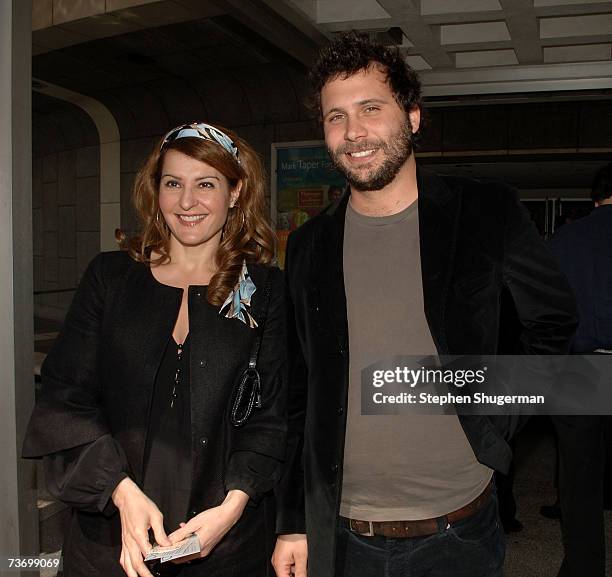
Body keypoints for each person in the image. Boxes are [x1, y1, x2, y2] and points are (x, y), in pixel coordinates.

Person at [272, 32, 577, 577]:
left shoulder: (485, 210)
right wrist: (293, 521)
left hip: (458, 530)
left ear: (412, 117)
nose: (354, 132)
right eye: (335, 117)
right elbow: (299, 393)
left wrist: (500, 421)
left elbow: (552, 321)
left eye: (371, 108)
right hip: (342, 535)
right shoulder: (307, 245)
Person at [22, 122, 287, 577]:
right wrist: (121, 492)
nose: (187, 202)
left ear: (236, 191)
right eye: (173, 183)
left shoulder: (264, 291)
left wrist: (231, 507)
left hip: (225, 544)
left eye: (206, 184)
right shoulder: (110, 278)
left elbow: (273, 416)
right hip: (109, 540)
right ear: (156, 190)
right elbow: (66, 400)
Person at [548, 162, 612, 577]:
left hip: (580, 370)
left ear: (595, 197)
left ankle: (583, 568)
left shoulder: (564, 240)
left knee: (580, 480)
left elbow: (544, 314)